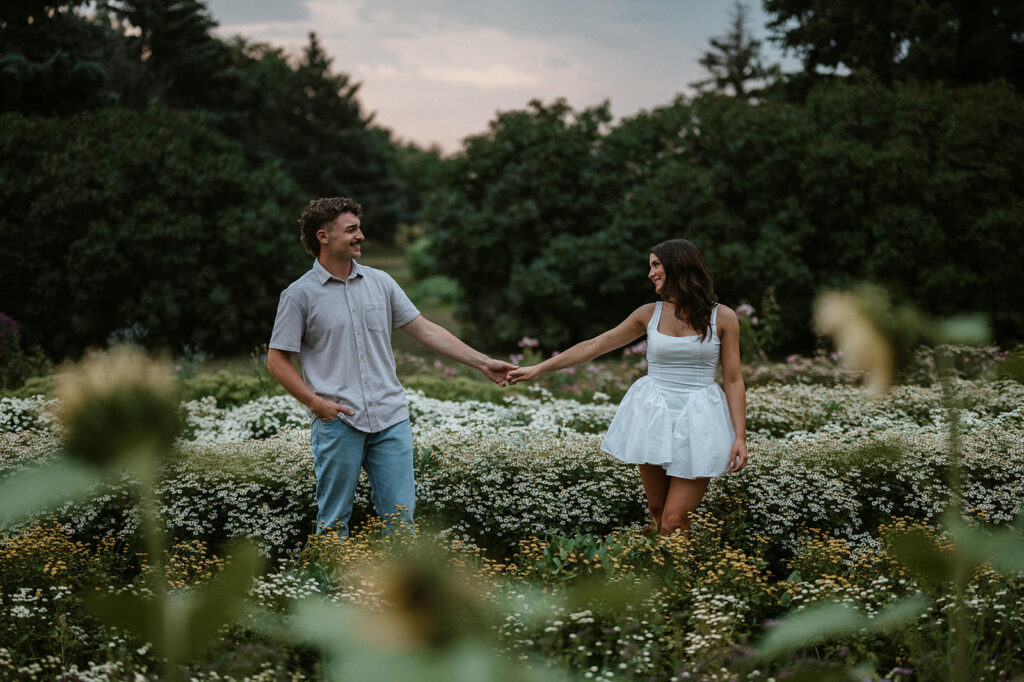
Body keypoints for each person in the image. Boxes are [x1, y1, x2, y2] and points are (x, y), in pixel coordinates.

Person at [267, 197, 517, 537]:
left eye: (359, 228)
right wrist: (316, 405)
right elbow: (276, 359)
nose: (361, 236)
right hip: (338, 420)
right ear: (323, 236)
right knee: (333, 522)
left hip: (390, 418)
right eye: (351, 229)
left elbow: (426, 330)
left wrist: (483, 362)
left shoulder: (381, 283)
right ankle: (327, 587)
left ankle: (394, 588)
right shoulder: (299, 296)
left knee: (400, 521)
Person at [508, 239, 747, 535]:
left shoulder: (722, 317)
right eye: (651, 267)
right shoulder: (648, 313)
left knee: (674, 521)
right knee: (657, 513)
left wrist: (740, 437)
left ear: (678, 266)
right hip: (654, 414)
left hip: (699, 418)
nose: (650, 273)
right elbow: (596, 345)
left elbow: (734, 379)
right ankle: (658, 575)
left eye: (656, 265)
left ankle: (681, 579)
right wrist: (538, 368)